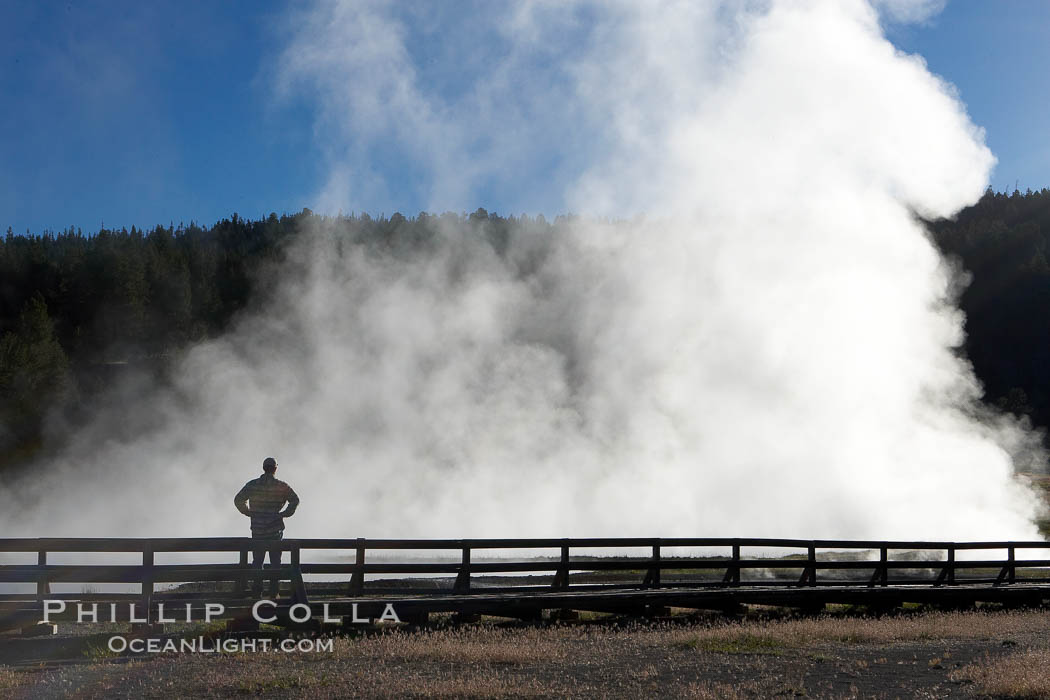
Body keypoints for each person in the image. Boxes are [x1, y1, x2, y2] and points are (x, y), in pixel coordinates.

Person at [234, 457, 300, 597]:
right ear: (275, 469)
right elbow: (295, 500)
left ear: (263, 468)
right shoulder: (281, 486)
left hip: (257, 530)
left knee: (257, 561)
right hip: (275, 529)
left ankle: (257, 590)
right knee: (275, 562)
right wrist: (285, 514)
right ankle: (274, 591)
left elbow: (238, 499)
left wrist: (249, 513)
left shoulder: (252, 485)